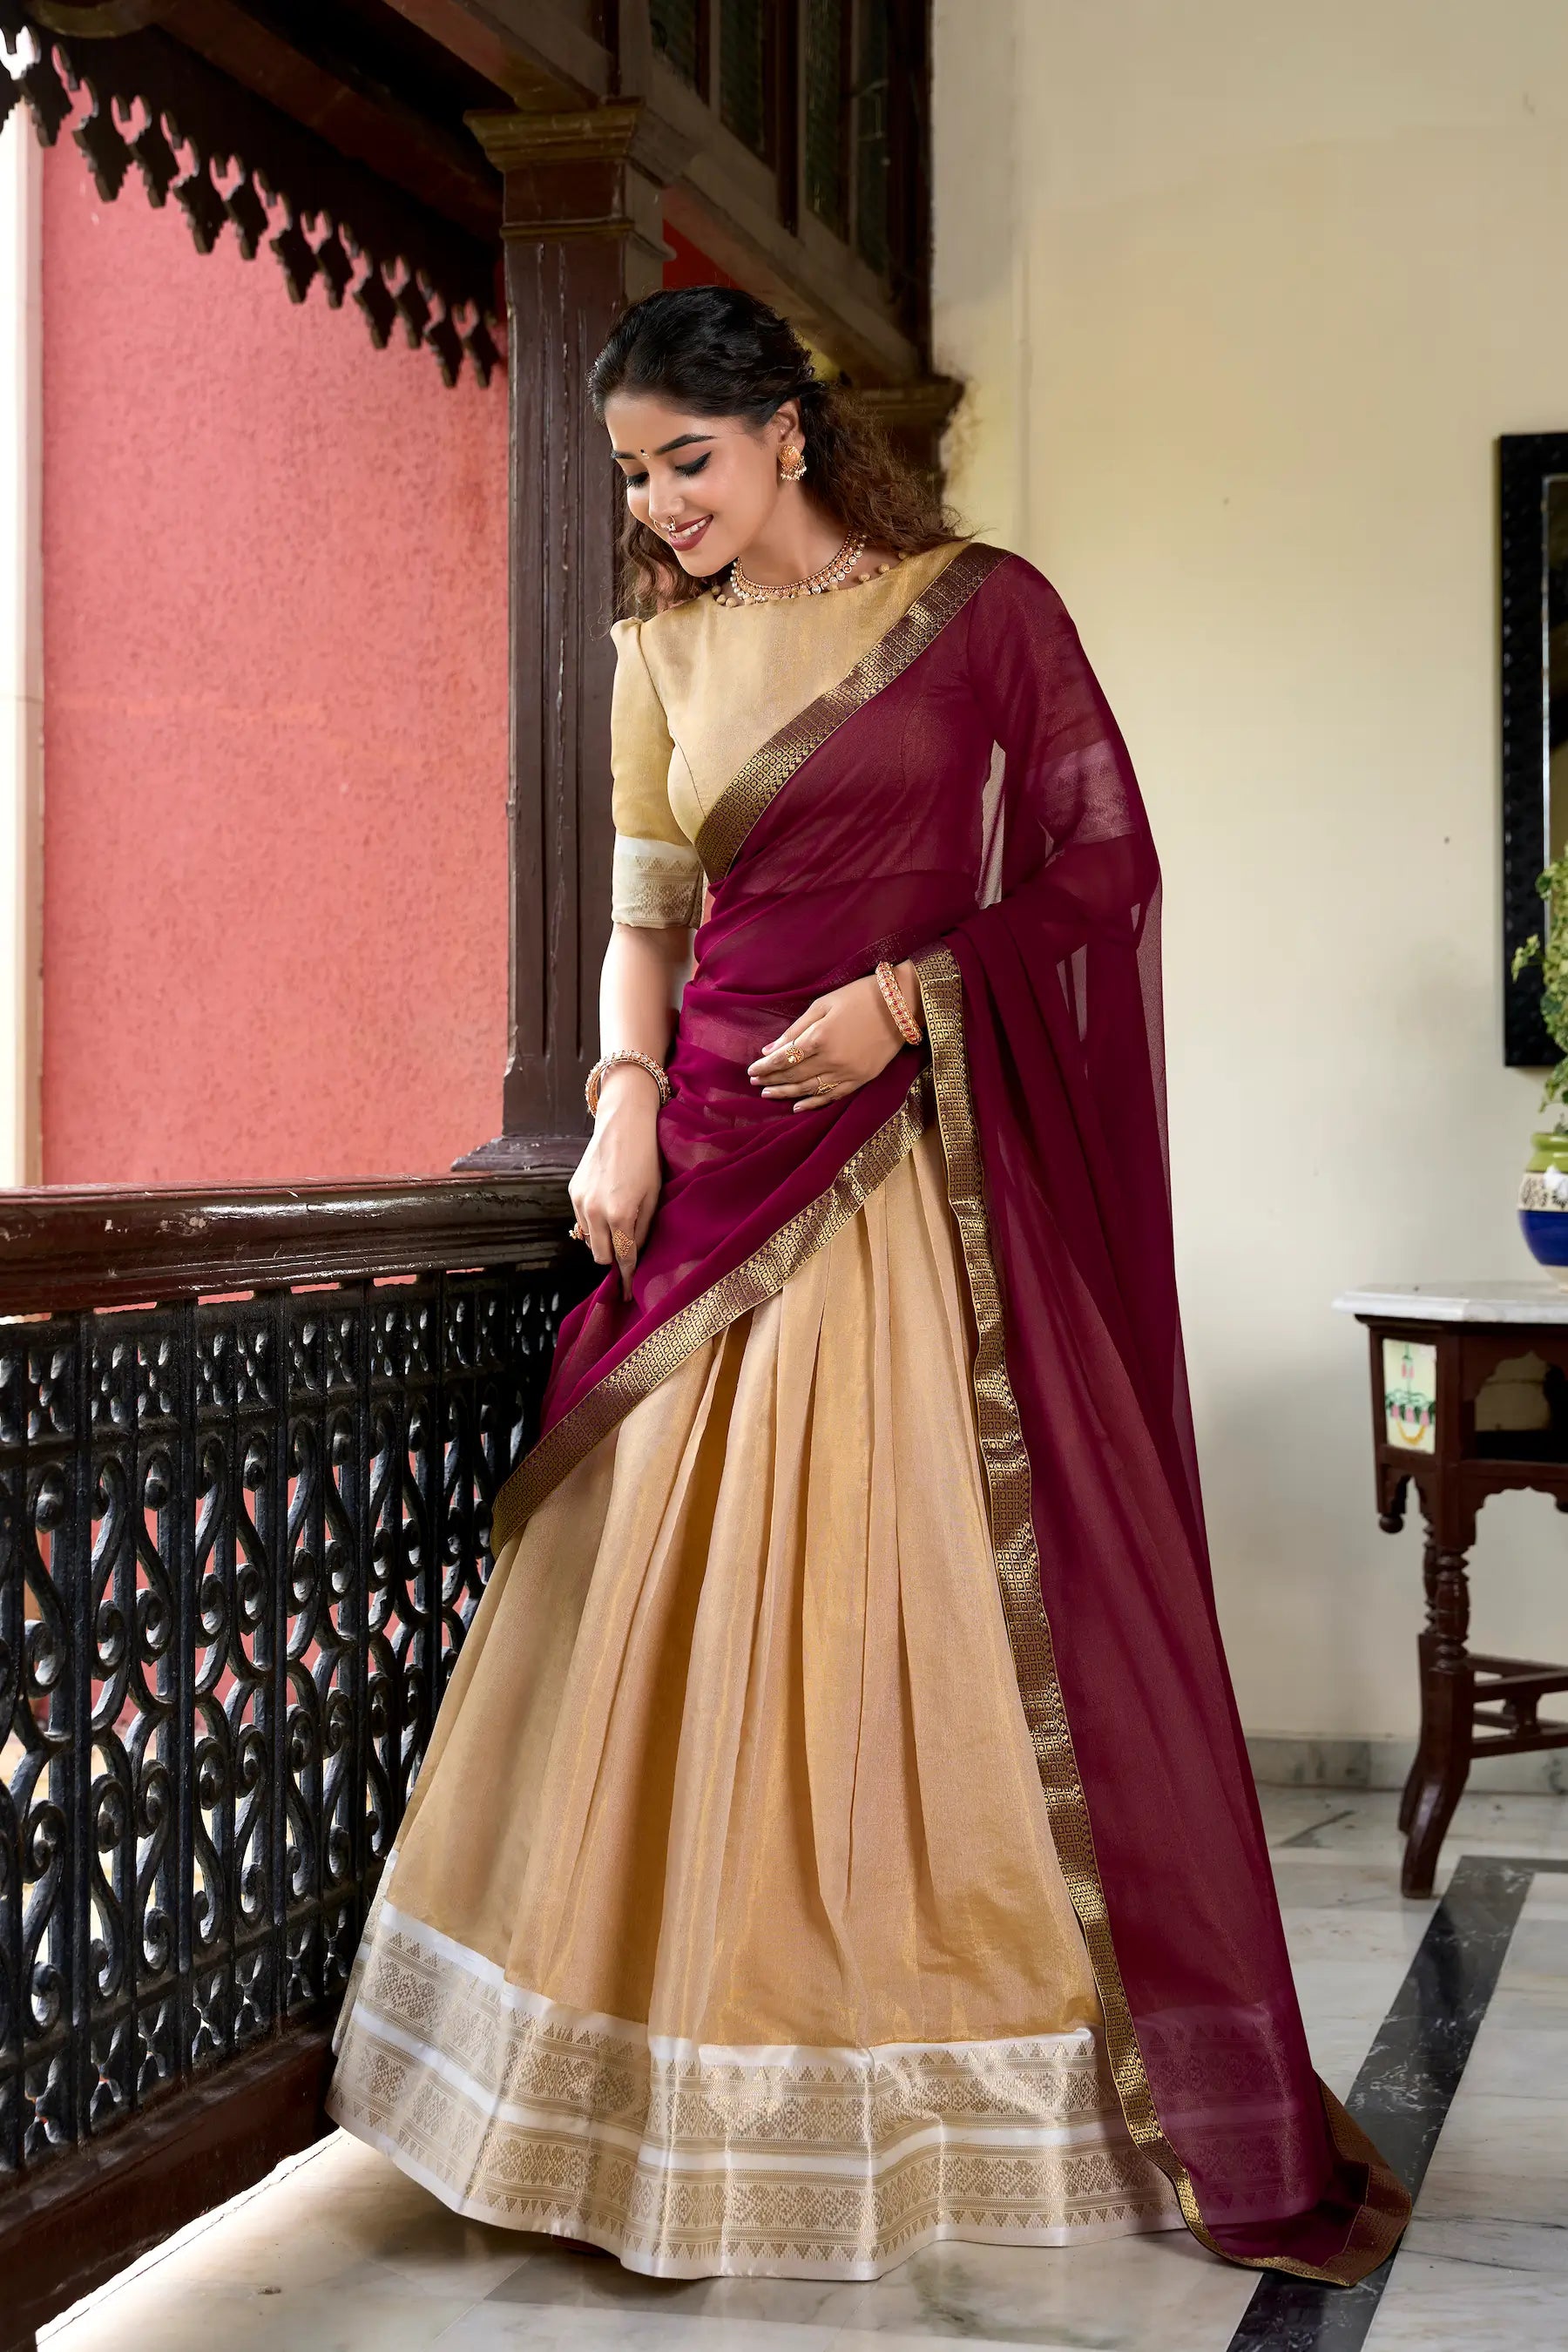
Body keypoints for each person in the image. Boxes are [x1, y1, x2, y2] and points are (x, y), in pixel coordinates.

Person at [328, 286, 1408, 2286]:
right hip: (710, 1162)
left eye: (689, 460)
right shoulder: (656, 653)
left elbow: (1104, 869)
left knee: (899, 1616)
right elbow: (645, 922)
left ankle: (910, 2092)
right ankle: (630, 2117)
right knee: (653, 1626)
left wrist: (913, 1003)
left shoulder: (981, 613)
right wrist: (619, 1106)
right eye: (633, 474)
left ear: (788, 433)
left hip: (906, 1176)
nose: (660, 505)